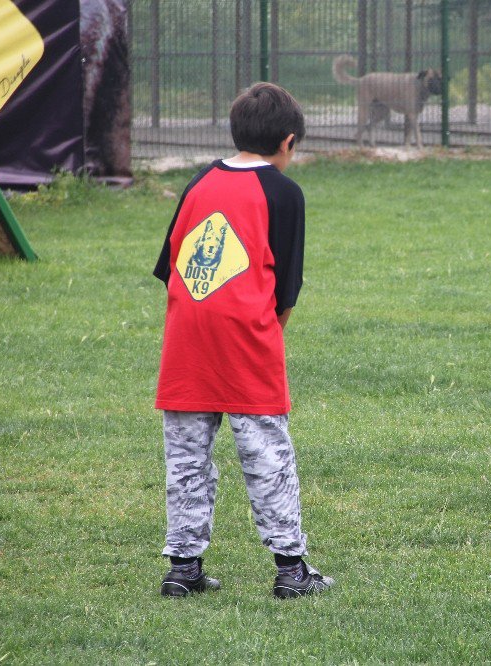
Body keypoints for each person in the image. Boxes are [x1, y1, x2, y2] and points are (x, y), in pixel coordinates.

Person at [152, 82, 333, 599]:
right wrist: (269, 338)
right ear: (289, 141)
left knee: (187, 460)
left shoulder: (198, 182)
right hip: (247, 342)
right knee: (267, 456)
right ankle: (292, 572)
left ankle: (183, 570)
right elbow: (287, 289)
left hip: (187, 344)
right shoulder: (284, 193)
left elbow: (173, 269)